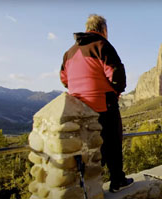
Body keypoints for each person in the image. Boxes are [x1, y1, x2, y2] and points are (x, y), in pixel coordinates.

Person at [60, 14, 133, 193]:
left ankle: (86, 187)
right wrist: (116, 92)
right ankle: (117, 180)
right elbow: (116, 74)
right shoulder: (102, 45)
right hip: (103, 104)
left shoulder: (69, 52)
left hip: (79, 108)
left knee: (88, 149)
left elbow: (64, 79)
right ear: (104, 29)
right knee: (113, 142)